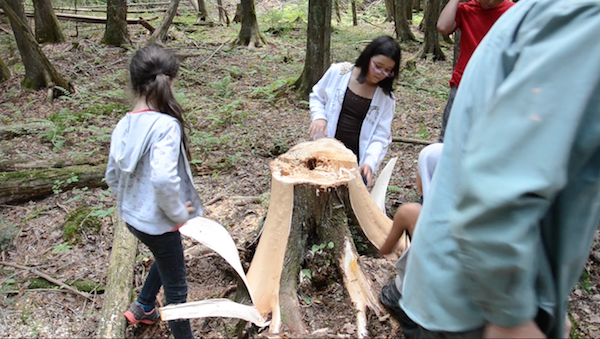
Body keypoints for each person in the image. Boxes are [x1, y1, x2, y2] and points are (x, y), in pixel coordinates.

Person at [400, 1, 600, 338]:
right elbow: (499, 181)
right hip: (473, 308)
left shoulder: (535, 11)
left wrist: (548, 301)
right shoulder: (584, 19)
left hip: (467, 294)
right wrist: (510, 316)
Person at [105, 44, 203, 339]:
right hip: (159, 224)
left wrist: (132, 204)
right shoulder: (165, 126)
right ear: (169, 82)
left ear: (134, 83)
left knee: (166, 256)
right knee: (177, 293)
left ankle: (144, 306)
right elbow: (162, 179)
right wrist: (175, 212)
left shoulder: (124, 123)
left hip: (133, 220)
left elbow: (111, 175)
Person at [308, 35, 400, 185]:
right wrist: (319, 117)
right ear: (368, 57)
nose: (380, 73)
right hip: (324, 151)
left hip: (355, 161)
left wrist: (370, 161)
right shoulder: (339, 72)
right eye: (377, 66)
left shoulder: (386, 98)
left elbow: (381, 136)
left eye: (388, 71)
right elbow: (317, 96)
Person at [378, 143, 443, 339]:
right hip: (455, 296)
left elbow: (384, 249)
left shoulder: (410, 212)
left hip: (419, 292)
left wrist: (399, 247)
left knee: (389, 296)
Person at [436, 0, 513, 142]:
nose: (488, 1)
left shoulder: (514, 12)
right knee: (447, 139)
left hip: (495, 89)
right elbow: (443, 26)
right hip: (463, 84)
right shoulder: (468, 9)